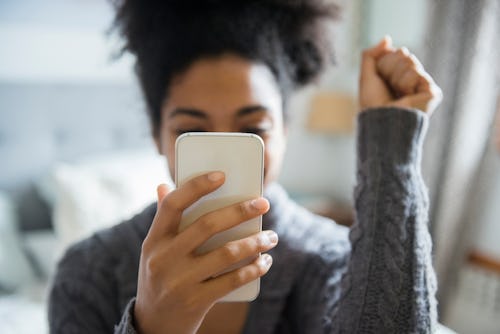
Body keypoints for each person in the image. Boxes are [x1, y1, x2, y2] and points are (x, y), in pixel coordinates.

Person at [48, 0, 442, 333]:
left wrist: (392, 148)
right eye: (192, 129)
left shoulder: (328, 257)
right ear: (156, 134)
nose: (225, 153)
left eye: (253, 128)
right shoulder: (88, 273)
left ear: (285, 131)